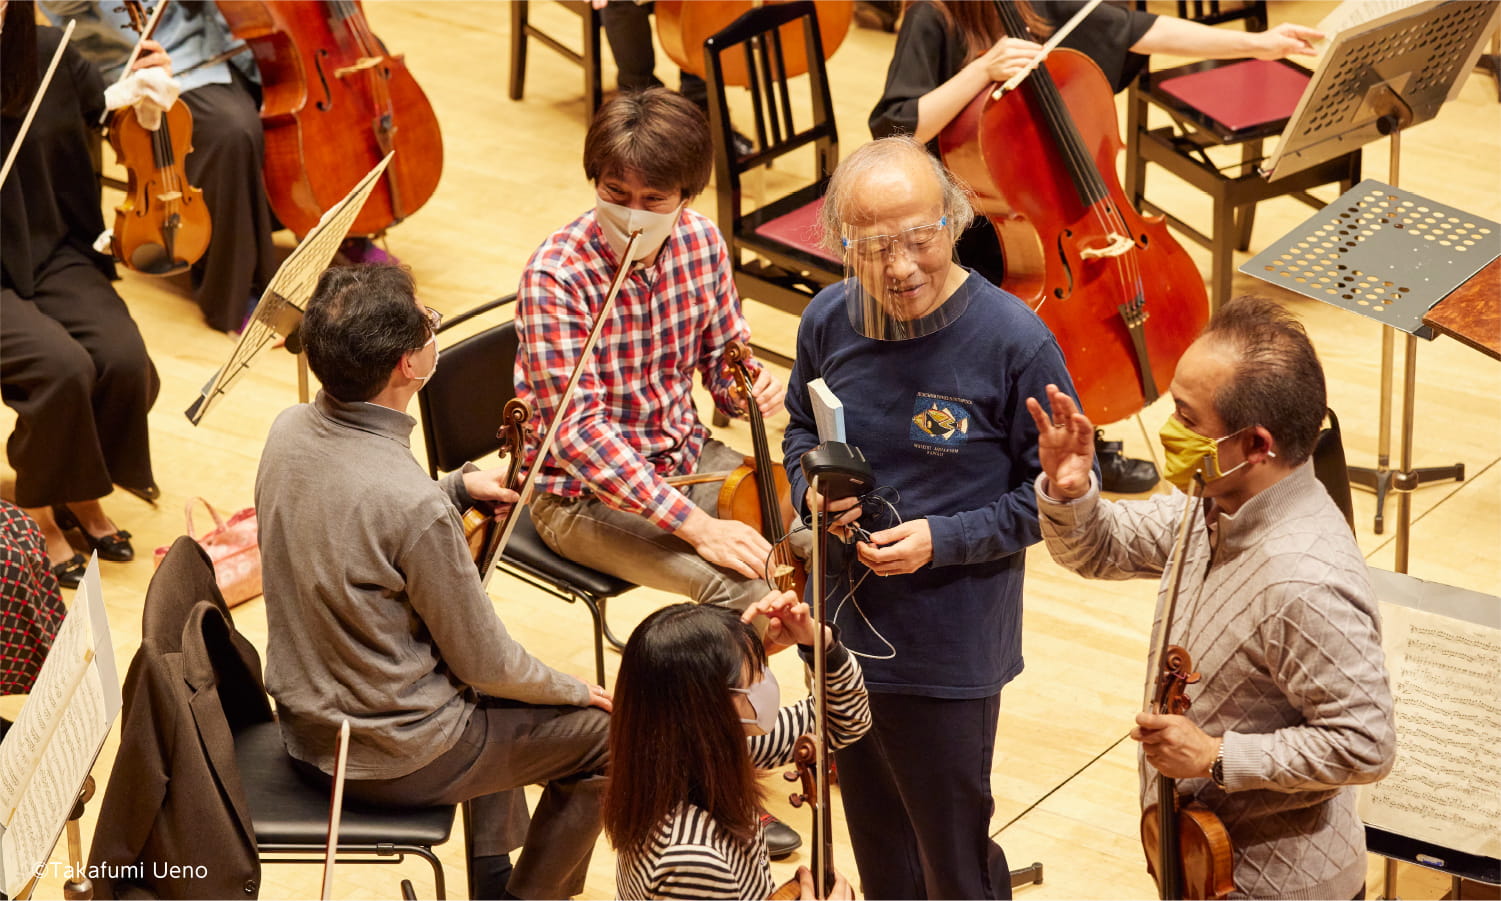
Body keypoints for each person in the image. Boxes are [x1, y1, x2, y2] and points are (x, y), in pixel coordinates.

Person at [781, 135, 1086, 900]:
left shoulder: (1015, 341)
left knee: (950, 856)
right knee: (880, 849)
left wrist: (941, 539)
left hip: (950, 646)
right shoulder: (828, 319)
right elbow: (795, 429)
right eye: (870, 247)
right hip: (843, 634)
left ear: (955, 221)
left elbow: (1056, 495)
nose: (899, 267)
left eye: (918, 238)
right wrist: (806, 489)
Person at [255, 263, 611, 900]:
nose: (433, 331)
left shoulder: (286, 430)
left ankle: (493, 875)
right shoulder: (410, 508)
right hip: (389, 758)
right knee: (609, 739)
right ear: (408, 368)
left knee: (511, 696)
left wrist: (448, 488)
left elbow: (351, 520)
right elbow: (486, 664)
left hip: (306, 722)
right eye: (429, 325)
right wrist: (575, 688)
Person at [870, 0, 1324, 494]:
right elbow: (896, 129)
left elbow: (1137, 29)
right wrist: (984, 67)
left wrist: (1258, 45)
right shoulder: (933, 15)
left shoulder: (1033, 3)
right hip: (977, 229)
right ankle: (997, 449)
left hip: (1058, 210)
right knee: (1011, 344)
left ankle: (1078, 436)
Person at [1028, 295, 1396, 899]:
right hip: (1201, 860)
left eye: (1186, 418)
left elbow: (1366, 744)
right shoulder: (1215, 503)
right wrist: (1072, 493)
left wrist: (1217, 753)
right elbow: (1099, 550)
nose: (1169, 433)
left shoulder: (1303, 582)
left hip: (1275, 883)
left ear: (1256, 445)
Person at [516, 86, 804, 857]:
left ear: (687, 193)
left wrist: (747, 380)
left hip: (682, 458)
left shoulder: (702, 242)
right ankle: (707, 778)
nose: (633, 211)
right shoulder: (556, 275)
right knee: (740, 588)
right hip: (579, 496)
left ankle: (814, 728)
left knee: (808, 541)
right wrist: (697, 525)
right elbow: (576, 435)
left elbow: (722, 354)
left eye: (655, 197)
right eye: (616, 194)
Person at [1, 2, 159, 589]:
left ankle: (79, 490)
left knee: (123, 361)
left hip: (50, 247)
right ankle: (39, 512)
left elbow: (117, 122)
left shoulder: (51, 55)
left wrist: (150, 97)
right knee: (60, 367)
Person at [605, 593, 867, 900]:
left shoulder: (695, 750)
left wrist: (818, 643)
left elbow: (844, 720)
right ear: (714, 705)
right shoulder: (694, 860)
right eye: (754, 675)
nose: (765, 681)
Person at [42, 0, 279, 333]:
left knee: (303, 83)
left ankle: (334, 233)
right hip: (144, 65)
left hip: (229, 41)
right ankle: (237, 292)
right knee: (231, 130)